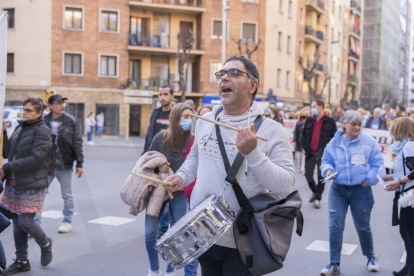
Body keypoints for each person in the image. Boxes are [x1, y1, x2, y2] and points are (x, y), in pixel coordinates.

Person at [164, 55, 295, 276]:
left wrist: (253, 153)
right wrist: (181, 177)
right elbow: (195, 158)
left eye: (234, 73)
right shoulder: (205, 121)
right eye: (221, 74)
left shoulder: (272, 131)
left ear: (252, 85)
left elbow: (286, 185)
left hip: (243, 241)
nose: (224, 77)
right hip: (202, 235)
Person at [320, 110, 383, 276]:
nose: (357, 127)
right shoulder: (334, 142)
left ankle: (371, 258)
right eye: (353, 124)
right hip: (338, 190)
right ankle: (334, 264)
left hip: (361, 191)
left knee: (363, 226)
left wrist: (368, 179)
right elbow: (326, 161)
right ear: (344, 123)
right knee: (335, 227)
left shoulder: (369, 142)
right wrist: (327, 171)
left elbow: (378, 163)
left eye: (359, 124)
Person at [1, 97, 53, 275]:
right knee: (17, 221)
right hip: (15, 181)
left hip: (32, 182)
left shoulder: (43, 131)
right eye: (23, 109)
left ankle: (45, 242)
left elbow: (37, 159)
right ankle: (22, 261)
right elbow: (10, 153)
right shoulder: (19, 127)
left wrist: (7, 167)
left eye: (28, 110)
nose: (24, 112)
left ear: (39, 113)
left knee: (26, 221)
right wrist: (3, 134)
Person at [146, 103, 198, 276]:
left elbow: (196, 170)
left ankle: (170, 268)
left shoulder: (193, 140)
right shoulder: (159, 139)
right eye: (185, 117)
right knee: (149, 234)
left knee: (180, 235)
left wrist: (182, 184)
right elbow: (147, 165)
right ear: (175, 118)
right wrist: (160, 171)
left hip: (180, 193)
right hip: (157, 191)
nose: (189, 120)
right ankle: (154, 270)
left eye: (191, 116)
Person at [35, 94, 84, 234]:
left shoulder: (71, 121)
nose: (62, 106)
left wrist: (80, 163)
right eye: (58, 103)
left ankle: (67, 221)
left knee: (67, 195)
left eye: (63, 103)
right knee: (39, 194)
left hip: (65, 164)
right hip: (45, 165)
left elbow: (77, 143)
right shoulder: (42, 120)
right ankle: (35, 224)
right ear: (50, 106)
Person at [382, 117, 414, 276]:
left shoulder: (409, 146)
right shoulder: (405, 146)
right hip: (406, 194)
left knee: (411, 235)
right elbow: (407, 169)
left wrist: (399, 181)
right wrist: (392, 177)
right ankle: (408, 266)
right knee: (405, 232)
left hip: (410, 196)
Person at [302, 100, 337, 209]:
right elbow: (304, 135)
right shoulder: (309, 120)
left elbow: (334, 139)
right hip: (310, 153)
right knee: (308, 174)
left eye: (314, 106)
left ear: (321, 107)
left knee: (321, 176)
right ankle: (315, 192)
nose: (311, 108)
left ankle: (317, 198)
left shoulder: (330, 121)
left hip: (323, 154)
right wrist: (305, 146)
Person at [143, 85, 174, 154]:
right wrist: (144, 153)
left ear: (172, 96)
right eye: (160, 95)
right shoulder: (155, 113)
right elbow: (148, 135)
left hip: (169, 155)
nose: (162, 97)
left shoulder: (176, 114)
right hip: (153, 153)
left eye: (165, 94)